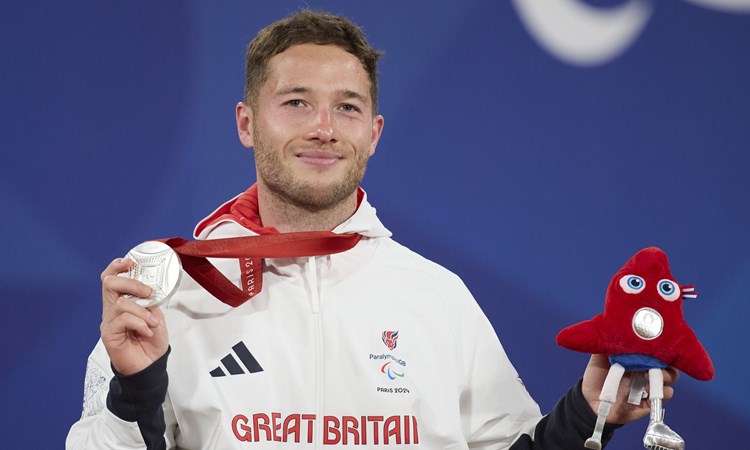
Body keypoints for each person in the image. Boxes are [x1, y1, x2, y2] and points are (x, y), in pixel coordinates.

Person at [66, 9, 678, 449]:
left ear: (374, 134)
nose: (324, 127)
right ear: (247, 123)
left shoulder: (438, 297)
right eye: (297, 102)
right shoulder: (172, 294)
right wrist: (137, 391)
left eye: (348, 107)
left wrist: (581, 414)